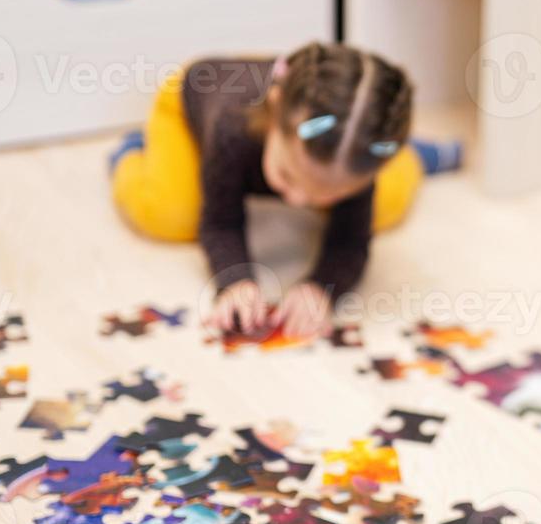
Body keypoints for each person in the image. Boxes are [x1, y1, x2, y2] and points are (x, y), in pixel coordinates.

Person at [110, 42, 419, 338]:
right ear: (273, 114)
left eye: (330, 194)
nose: (298, 200)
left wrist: (321, 287)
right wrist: (235, 281)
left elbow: (351, 241)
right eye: (288, 176)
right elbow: (220, 223)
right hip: (197, 92)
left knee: (387, 205)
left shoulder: (347, 152)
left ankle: (420, 153)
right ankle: (133, 151)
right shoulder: (232, 130)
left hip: (288, 85)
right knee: (168, 214)